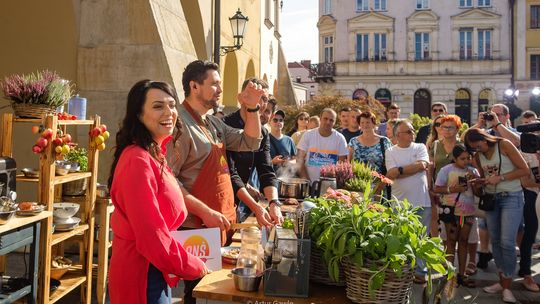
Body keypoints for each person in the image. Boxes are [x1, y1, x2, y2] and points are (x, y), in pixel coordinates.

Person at [167, 60, 264, 304]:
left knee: (214, 291)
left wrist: (252, 108)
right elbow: (168, 180)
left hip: (216, 222)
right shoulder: (179, 125)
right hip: (193, 226)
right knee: (197, 292)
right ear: (194, 86)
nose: (220, 89)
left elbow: (250, 141)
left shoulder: (212, 123)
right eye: (215, 84)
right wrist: (205, 212)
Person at [108, 80, 209, 304]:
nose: (169, 112)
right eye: (157, 106)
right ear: (138, 115)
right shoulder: (138, 160)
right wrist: (195, 266)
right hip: (142, 275)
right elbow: (151, 238)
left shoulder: (153, 154)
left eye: (172, 105)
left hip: (157, 268)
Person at [464, 128, 528, 303]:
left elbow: (524, 170)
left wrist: (500, 178)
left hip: (512, 197)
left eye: (478, 145)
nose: (477, 149)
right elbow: (485, 180)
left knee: (507, 242)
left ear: (484, 139)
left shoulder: (504, 145)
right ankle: (502, 281)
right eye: (473, 148)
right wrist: (478, 182)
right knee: (496, 241)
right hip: (491, 198)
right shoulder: (478, 156)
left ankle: (507, 285)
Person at [223, 79, 283, 226]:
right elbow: (231, 173)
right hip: (222, 200)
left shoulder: (263, 132)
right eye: (259, 97)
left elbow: (266, 170)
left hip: (240, 202)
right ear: (243, 98)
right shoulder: (225, 125)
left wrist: (274, 203)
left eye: (265, 99)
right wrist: (256, 207)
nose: (262, 104)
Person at [385, 119, 431, 283]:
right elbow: (391, 173)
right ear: (398, 135)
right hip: (400, 203)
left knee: (421, 238)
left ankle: (420, 271)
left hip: (422, 201)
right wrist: (412, 168)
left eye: (412, 130)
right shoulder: (390, 151)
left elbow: (423, 165)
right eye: (408, 131)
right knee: (401, 238)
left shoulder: (420, 147)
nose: (413, 133)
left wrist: (401, 170)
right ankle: (403, 271)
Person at [433, 144, 481, 288]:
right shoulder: (446, 170)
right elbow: (436, 188)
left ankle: (462, 274)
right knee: (451, 241)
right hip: (450, 211)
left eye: (468, 158)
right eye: (462, 158)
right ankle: (449, 275)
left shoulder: (473, 171)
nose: (466, 161)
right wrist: (453, 189)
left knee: (464, 241)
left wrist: (475, 183)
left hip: (468, 212)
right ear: (454, 158)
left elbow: (479, 193)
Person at [297, 108, 348, 182]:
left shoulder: (340, 138)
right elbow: (299, 159)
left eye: (331, 120)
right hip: (309, 183)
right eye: (325, 118)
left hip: (330, 186)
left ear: (334, 122)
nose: (328, 122)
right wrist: (306, 180)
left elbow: (342, 164)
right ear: (320, 118)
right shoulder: (308, 135)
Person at [348, 111, 391, 195]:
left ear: (374, 124)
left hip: (380, 186)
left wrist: (381, 186)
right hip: (358, 187)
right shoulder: (353, 142)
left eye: (368, 122)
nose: (365, 125)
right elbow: (349, 164)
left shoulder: (384, 141)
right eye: (362, 122)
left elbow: (390, 165)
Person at [269, 109, 297, 175]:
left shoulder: (289, 140)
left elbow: (295, 159)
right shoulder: (265, 139)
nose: (278, 122)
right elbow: (259, 162)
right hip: (269, 179)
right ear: (269, 122)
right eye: (275, 120)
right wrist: (272, 162)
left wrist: (289, 162)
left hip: (287, 178)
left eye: (281, 120)